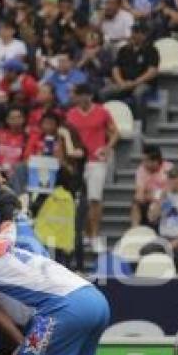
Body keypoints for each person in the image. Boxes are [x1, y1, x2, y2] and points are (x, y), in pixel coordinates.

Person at [66, 84, 118, 251]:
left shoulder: (102, 111)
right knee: (80, 201)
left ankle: (95, 235)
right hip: (77, 162)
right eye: (80, 95)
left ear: (90, 96)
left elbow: (115, 132)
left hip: (96, 160)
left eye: (86, 95)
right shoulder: (71, 114)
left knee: (95, 199)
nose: (83, 98)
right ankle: (87, 234)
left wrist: (107, 147)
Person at [100, 23, 159, 124]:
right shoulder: (124, 50)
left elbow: (152, 72)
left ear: (144, 35)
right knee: (104, 93)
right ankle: (107, 123)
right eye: (133, 32)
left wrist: (135, 83)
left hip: (143, 84)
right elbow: (115, 68)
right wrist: (121, 82)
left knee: (138, 94)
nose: (133, 35)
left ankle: (139, 126)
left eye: (137, 32)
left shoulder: (151, 50)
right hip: (124, 83)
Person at [132, 145, 173, 227]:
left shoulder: (169, 167)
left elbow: (169, 189)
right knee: (136, 202)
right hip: (148, 197)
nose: (144, 163)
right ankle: (134, 229)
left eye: (146, 160)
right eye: (143, 160)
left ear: (155, 161)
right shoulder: (141, 169)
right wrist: (142, 195)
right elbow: (140, 191)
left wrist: (156, 199)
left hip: (165, 199)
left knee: (158, 204)